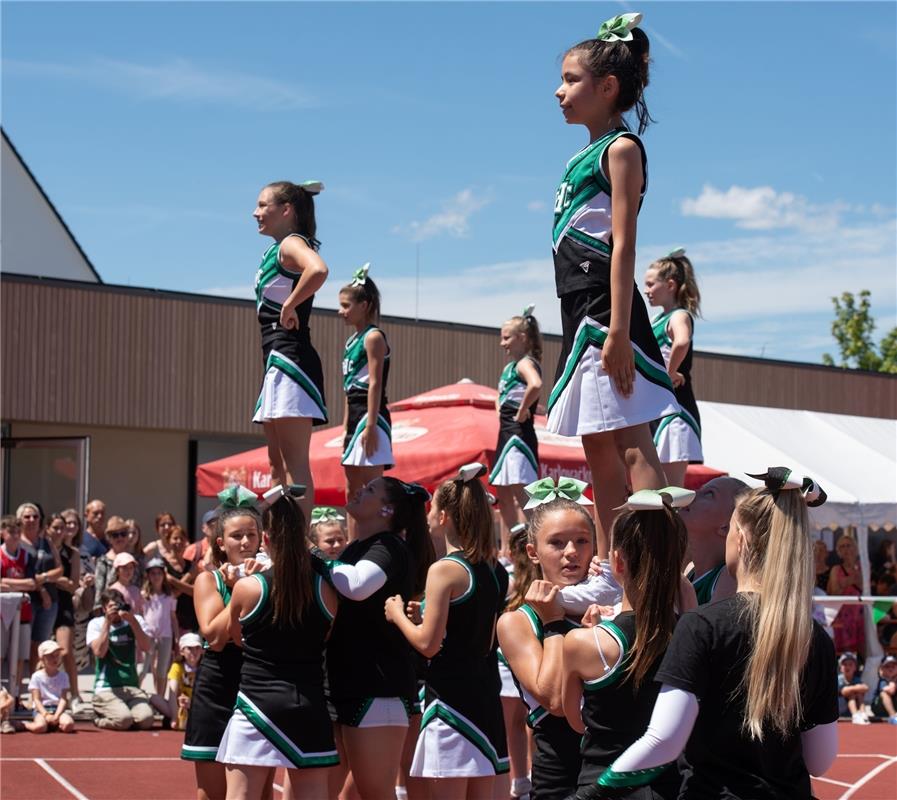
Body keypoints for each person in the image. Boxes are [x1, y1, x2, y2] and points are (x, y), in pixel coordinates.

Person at [588, 468, 837, 799]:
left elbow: (663, 740)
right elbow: (820, 761)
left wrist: (592, 793)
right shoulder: (814, 638)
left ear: (741, 539)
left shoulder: (703, 626)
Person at [547, 11, 675, 568]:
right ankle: (612, 564)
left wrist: (620, 330)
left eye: (572, 80)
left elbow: (624, 245)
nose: (560, 91)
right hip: (578, 312)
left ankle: (651, 562)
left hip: (605, 310)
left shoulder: (621, 149)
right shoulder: (581, 154)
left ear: (608, 87)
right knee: (595, 444)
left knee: (628, 441)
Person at [386, 464, 509, 798]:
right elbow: (470, 620)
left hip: (451, 702)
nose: (427, 514)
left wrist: (397, 615)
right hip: (485, 697)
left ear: (444, 517)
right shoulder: (495, 568)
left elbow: (428, 645)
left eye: (433, 507)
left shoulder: (444, 570)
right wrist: (423, 614)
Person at [562, 488, 692, 800]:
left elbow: (576, 721)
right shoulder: (694, 635)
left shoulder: (584, 643)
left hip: (603, 784)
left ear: (617, 563)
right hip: (671, 787)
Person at [218, 486, 339, 799]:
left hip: (257, 704)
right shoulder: (326, 590)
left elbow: (236, 638)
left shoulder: (248, 588)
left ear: (266, 539)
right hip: (309, 707)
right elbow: (326, 635)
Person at [325, 476, 435, 800]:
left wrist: (315, 557)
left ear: (387, 509)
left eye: (370, 489)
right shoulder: (356, 548)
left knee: (376, 794)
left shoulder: (388, 546)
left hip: (377, 690)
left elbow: (357, 586)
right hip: (346, 686)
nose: (359, 489)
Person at [497, 480, 597, 800]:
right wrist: (554, 624)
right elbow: (553, 699)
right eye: (557, 543)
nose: (571, 553)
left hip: (618, 763)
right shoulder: (517, 621)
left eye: (582, 541)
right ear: (533, 552)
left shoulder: (612, 605)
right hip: (561, 772)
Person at [252, 180, 330, 522]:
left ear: (286, 211)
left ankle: (296, 546)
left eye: (262, 205)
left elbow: (319, 269)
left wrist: (290, 305)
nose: (255, 213)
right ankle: (279, 540)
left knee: (295, 466)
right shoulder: (276, 248)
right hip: (276, 358)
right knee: (276, 465)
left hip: (291, 359)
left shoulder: (291, 242)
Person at [181, 486, 263, 800]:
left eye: (251, 535)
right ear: (221, 543)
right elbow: (215, 638)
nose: (245, 542)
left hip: (258, 686)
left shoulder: (270, 577)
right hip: (217, 686)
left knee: (257, 792)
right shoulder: (208, 579)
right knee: (210, 793)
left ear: (261, 539)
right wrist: (239, 592)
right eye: (236, 536)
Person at [339, 263, 394, 531]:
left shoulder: (373, 337)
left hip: (371, 414)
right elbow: (347, 390)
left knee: (373, 487)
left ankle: (378, 536)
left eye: (347, 305)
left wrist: (371, 425)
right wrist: (344, 427)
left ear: (365, 304)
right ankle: (354, 541)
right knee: (352, 487)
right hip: (354, 413)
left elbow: (375, 383)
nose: (341, 312)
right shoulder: (351, 342)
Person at [644, 248, 703, 487]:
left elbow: (682, 341)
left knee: (670, 490)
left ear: (669, 285)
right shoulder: (657, 319)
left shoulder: (679, 316)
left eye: (650, 284)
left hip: (676, 409)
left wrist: (669, 372)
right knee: (653, 487)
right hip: (657, 409)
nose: (646, 290)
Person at [490, 306, 544, 552]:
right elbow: (507, 395)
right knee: (502, 488)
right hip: (506, 432)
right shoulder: (510, 367)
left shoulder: (524, 363)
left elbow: (536, 384)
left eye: (506, 337)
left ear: (522, 338)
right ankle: (514, 544)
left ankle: (540, 537)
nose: (502, 343)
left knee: (522, 489)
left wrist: (523, 410)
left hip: (518, 434)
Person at [498, 522, 538, 800]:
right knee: (529, 719)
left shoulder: (509, 579)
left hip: (509, 657)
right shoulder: (512, 580)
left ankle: (521, 780)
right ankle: (526, 779)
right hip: (518, 656)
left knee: (514, 723)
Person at [88, 588, 154, 731]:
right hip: (106, 688)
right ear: (104, 608)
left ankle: (125, 715)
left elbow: (146, 646)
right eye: (111, 606)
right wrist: (107, 622)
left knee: (146, 720)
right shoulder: (96, 624)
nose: (116, 610)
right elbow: (99, 652)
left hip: (131, 687)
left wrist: (132, 620)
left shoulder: (134, 620)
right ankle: (99, 719)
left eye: (118, 605)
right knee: (123, 720)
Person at [677, 477, 747, 605]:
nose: (693, 493)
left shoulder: (728, 577)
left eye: (709, 494)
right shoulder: (689, 569)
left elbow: (702, 625)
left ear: (726, 527)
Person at [45, 513, 86, 714]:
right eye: (56, 528)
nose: (60, 532)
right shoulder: (42, 550)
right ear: (48, 529)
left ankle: (75, 694)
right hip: (43, 603)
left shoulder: (73, 553)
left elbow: (72, 585)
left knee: (66, 651)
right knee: (38, 651)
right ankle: (42, 695)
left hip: (63, 605)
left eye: (63, 528)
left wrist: (51, 578)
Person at [140, 555, 179, 695]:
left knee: (162, 669)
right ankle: (135, 695)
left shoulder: (170, 596)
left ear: (164, 574)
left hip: (165, 636)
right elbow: (140, 616)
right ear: (148, 576)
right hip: (148, 635)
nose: (156, 576)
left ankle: (160, 698)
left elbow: (173, 617)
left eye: (159, 573)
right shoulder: (144, 595)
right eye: (153, 573)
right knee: (143, 668)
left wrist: (177, 637)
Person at [24, 640, 75, 734]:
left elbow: (63, 699)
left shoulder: (64, 676)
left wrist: (57, 715)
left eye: (57, 655)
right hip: (42, 710)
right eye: (50, 656)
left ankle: (54, 724)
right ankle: (24, 724)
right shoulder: (36, 676)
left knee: (69, 725)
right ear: (42, 658)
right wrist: (46, 715)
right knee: (40, 727)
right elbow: (36, 699)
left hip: (57, 709)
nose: (55, 658)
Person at [160, 525, 198, 633]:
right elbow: (171, 595)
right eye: (175, 538)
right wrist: (189, 576)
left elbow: (195, 592)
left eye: (182, 538)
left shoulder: (191, 565)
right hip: (170, 619)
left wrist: (172, 580)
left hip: (190, 618)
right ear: (168, 541)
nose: (179, 541)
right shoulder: (163, 564)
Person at [163, 632, 203, 731]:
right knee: (154, 698)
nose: (194, 652)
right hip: (179, 705)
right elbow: (172, 692)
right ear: (182, 651)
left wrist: (192, 703)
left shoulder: (204, 667)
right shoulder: (177, 666)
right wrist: (174, 716)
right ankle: (177, 716)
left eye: (197, 648)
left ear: (202, 650)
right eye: (189, 648)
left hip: (197, 705)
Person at [837, 651, 871, 725]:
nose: (847, 667)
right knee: (851, 693)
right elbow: (844, 691)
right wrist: (856, 687)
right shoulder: (838, 679)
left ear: (855, 667)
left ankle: (863, 713)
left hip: (848, 710)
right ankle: (855, 715)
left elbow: (866, 688)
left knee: (859, 693)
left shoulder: (856, 679)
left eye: (850, 664)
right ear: (840, 668)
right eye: (845, 664)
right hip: (839, 708)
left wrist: (855, 688)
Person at [871, 654, 897, 724]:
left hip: (894, 705)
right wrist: (893, 682)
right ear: (882, 669)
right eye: (887, 666)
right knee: (884, 693)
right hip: (879, 707)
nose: (890, 668)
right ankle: (893, 716)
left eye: (893, 666)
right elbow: (891, 691)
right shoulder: (882, 680)